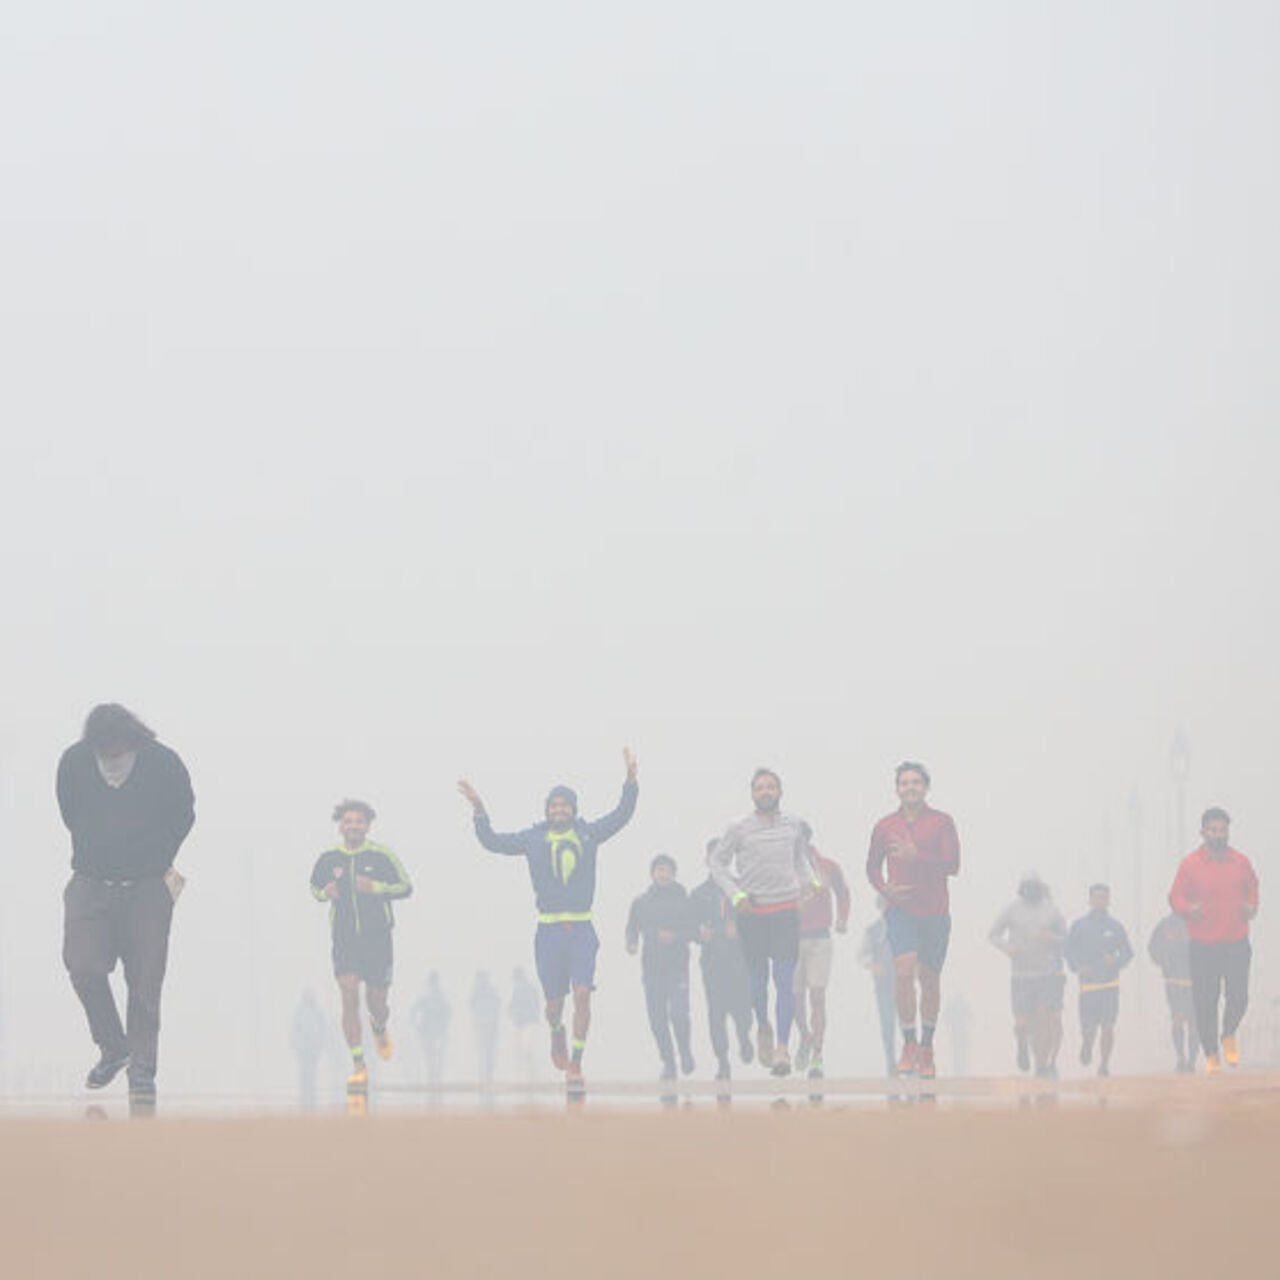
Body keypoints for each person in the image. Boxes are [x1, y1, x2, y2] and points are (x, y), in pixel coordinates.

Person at [458, 748, 638, 1092]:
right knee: (554, 1006)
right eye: (554, 805)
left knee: (582, 994)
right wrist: (479, 811)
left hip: (582, 929)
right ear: (547, 810)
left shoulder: (589, 833)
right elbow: (492, 842)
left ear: (573, 809)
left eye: (565, 805)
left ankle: (576, 1063)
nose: (559, 810)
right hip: (549, 932)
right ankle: (557, 1032)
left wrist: (630, 782)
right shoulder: (533, 838)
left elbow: (621, 815)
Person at [57, 703, 195, 1113]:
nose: (109, 756)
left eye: (115, 748)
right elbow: (69, 810)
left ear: (131, 738)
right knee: (82, 964)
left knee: (145, 981)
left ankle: (142, 1070)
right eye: (102, 749)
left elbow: (184, 813)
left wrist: (156, 856)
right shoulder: (75, 762)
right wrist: (95, 848)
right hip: (90, 881)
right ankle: (113, 1047)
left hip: (148, 887)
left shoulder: (163, 763)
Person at [709, 768, 819, 1077]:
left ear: (780, 792)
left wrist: (809, 881)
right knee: (758, 982)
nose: (766, 792)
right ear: (752, 794)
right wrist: (735, 895)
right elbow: (716, 863)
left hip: (785, 911)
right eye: (760, 788)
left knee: (785, 982)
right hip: (752, 913)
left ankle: (783, 1047)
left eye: (771, 787)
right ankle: (764, 1027)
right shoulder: (739, 827)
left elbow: (800, 859)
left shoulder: (794, 824)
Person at [865, 761, 960, 1080]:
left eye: (916, 783)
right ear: (897, 789)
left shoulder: (942, 822)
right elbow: (872, 868)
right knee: (904, 971)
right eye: (904, 783)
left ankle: (927, 1047)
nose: (910, 788)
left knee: (929, 981)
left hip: (934, 912)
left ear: (926, 787)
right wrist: (884, 888)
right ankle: (908, 1043)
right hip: (901, 911)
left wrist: (916, 854)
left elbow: (953, 865)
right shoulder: (884, 826)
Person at [309, 800, 413, 1089]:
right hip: (345, 940)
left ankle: (379, 1026)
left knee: (377, 1002)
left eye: (359, 821)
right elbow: (314, 887)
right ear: (340, 825)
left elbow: (406, 887)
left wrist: (377, 888)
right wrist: (324, 892)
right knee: (349, 993)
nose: (353, 826)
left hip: (378, 940)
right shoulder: (328, 859)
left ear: (367, 825)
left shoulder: (382, 856)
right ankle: (358, 1062)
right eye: (348, 821)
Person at [1168, 807, 1260, 1074]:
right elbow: (1175, 897)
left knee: (1239, 996)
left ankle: (1228, 1033)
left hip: (1236, 940)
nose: (1219, 835)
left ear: (1228, 832)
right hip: (1203, 943)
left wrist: (1252, 905)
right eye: (1213, 830)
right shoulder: (1190, 865)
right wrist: (1188, 909)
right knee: (1205, 1001)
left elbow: (1253, 886)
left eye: (1223, 830)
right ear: (1203, 833)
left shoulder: (1241, 862)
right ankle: (1210, 1054)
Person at [988, 875, 1067, 1078]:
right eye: (1027, 892)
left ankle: (1041, 1064)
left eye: (1035, 892)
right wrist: (1008, 948)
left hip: (1046, 974)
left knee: (1043, 1020)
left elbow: (1066, 938)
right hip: (1020, 975)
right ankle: (1022, 1043)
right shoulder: (1012, 910)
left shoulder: (1052, 910)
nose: (1032, 897)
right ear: (1021, 892)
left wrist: (1052, 938)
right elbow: (993, 934)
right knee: (1023, 1021)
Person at [626, 854, 695, 1080]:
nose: (663, 875)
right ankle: (668, 1062)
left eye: (667, 871)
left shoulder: (684, 902)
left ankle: (684, 1051)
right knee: (657, 1021)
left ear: (674, 875)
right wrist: (632, 942)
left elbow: (695, 932)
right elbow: (632, 927)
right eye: (659, 870)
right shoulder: (641, 903)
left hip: (677, 970)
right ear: (652, 874)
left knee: (679, 1015)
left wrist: (675, 937)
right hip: (652, 970)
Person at [689, 844, 755, 1082]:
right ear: (707, 860)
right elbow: (688, 926)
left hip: (739, 960)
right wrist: (699, 934)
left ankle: (745, 1036)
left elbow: (758, 921)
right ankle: (723, 1062)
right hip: (712, 961)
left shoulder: (744, 889)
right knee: (716, 1014)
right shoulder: (698, 894)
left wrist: (741, 928)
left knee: (743, 1009)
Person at [794, 843, 851, 1079]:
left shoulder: (828, 867)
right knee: (794, 999)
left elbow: (843, 894)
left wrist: (842, 919)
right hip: (791, 940)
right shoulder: (783, 870)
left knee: (817, 996)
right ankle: (805, 1036)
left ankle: (817, 1054)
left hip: (820, 938)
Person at [1065, 884, 1133, 1077]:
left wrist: (1117, 961)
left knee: (1108, 1025)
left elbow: (1128, 952)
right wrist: (1078, 966)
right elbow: (1068, 951)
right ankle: (1087, 1045)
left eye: (1104, 898)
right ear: (1090, 900)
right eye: (1096, 898)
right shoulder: (1079, 926)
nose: (1100, 901)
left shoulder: (1115, 927)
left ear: (1108, 901)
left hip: (1110, 985)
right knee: (1089, 1027)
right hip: (1088, 985)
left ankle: (1104, 1065)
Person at [1148, 911, 1197, 1073]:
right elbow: (1153, 948)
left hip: (1196, 982)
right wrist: (1165, 963)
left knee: (1194, 1023)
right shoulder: (1165, 925)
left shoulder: (1200, 921)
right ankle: (1180, 1058)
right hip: (1175, 981)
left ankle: (1192, 1061)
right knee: (1177, 1019)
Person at [857, 897, 898, 1077]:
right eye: (884, 904)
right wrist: (873, 966)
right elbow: (861, 955)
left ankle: (909, 1062)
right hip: (882, 986)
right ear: (880, 907)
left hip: (902, 984)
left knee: (907, 1024)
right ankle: (891, 1062)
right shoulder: (872, 931)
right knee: (887, 1025)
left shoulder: (906, 928)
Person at [410, 971, 451, 1088]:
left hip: (432, 1031)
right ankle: (434, 1078)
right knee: (434, 1056)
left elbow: (414, 1012)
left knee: (432, 1055)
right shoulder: (435, 997)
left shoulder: (429, 997)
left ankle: (433, 1077)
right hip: (431, 1031)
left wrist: (416, 1025)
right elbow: (448, 1013)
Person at [290, 989, 328, 1109]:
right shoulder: (301, 1013)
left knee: (309, 1073)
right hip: (305, 1049)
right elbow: (295, 1031)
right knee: (306, 1073)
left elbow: (322, 1031)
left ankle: (309, 1096)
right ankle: (306, 1097)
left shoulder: (315, 1013)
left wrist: (320, 1045)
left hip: (311, 1049)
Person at [508, 966, 542, 1083]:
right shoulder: (528, 988)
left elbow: (513, 1006)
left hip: (526, 1023)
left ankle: (528, 1076)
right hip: (527, 1022)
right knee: (525, 1051)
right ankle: (529, 1076)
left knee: (525, 1050)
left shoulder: (521, 989)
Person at [470, 970, 502, 1086]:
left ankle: (486, 1072)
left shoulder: (478, 991)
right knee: (487, 1050)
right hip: (488, 1024)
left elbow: (472, 1005)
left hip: (485, 1024)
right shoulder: (490, 990)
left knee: (485, 1049)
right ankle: (487, 1072)